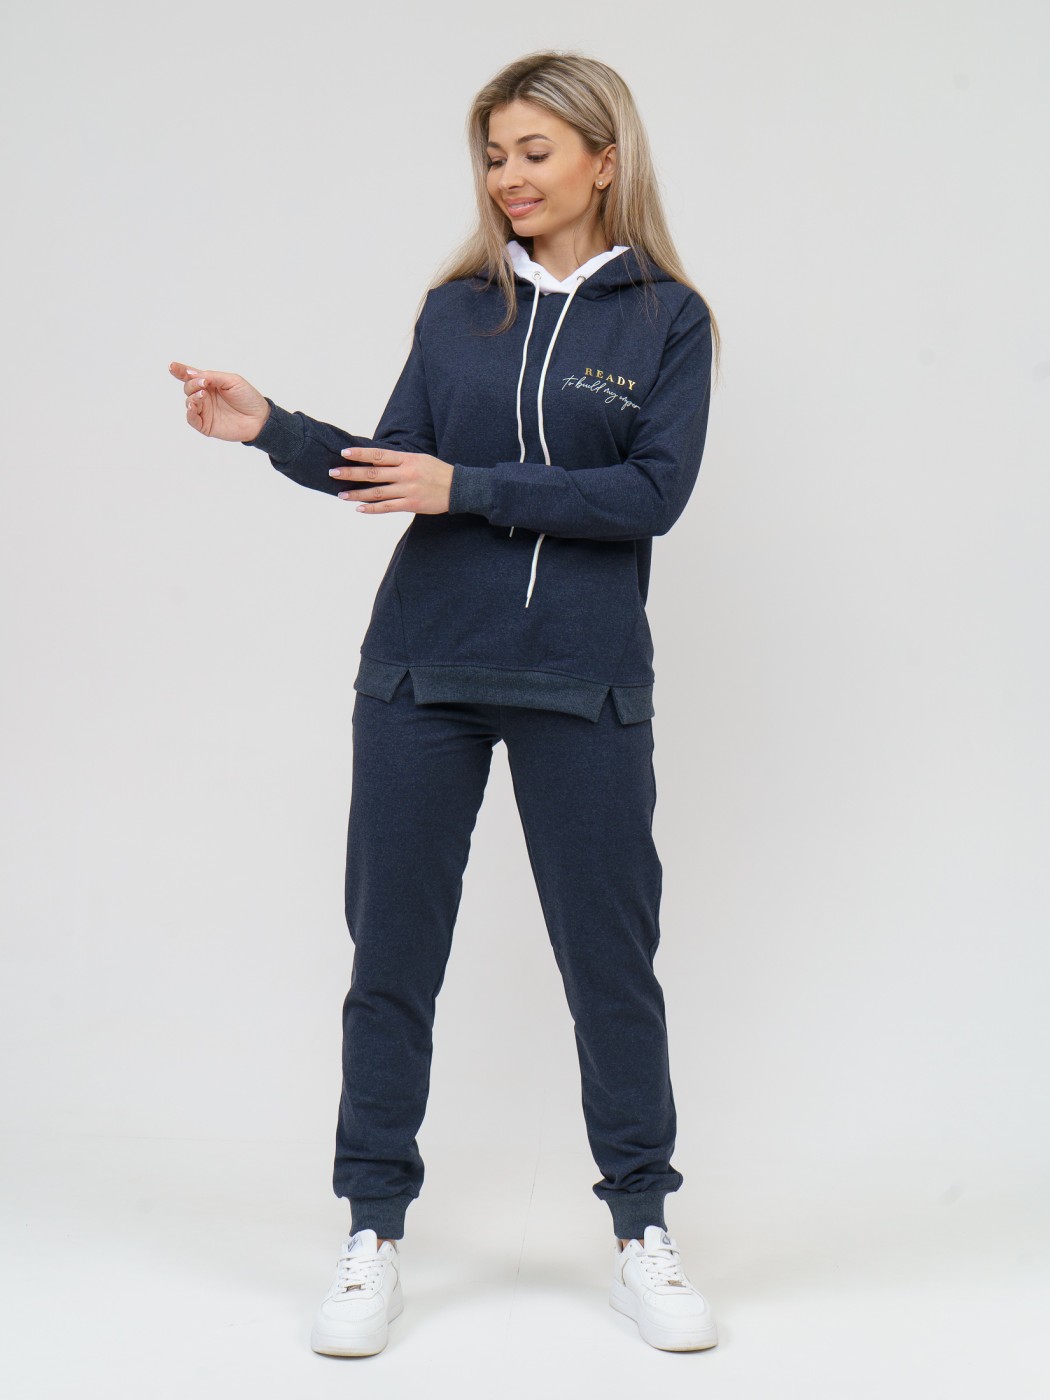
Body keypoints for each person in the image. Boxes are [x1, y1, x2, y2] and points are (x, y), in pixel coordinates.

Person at [169, 48, 722, 1357]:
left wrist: (468, 487)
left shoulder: (667, 320)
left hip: (583, 684)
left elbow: (651, 496)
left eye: (534, 151)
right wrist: (271, 427)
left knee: (610, 966)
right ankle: (372, 1231)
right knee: (392, 962)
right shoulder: (454, 310)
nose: (508, 177)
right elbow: (390, 467)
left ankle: (641, 1230)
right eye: (492, 155)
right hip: (420, 676)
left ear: (603, 159)